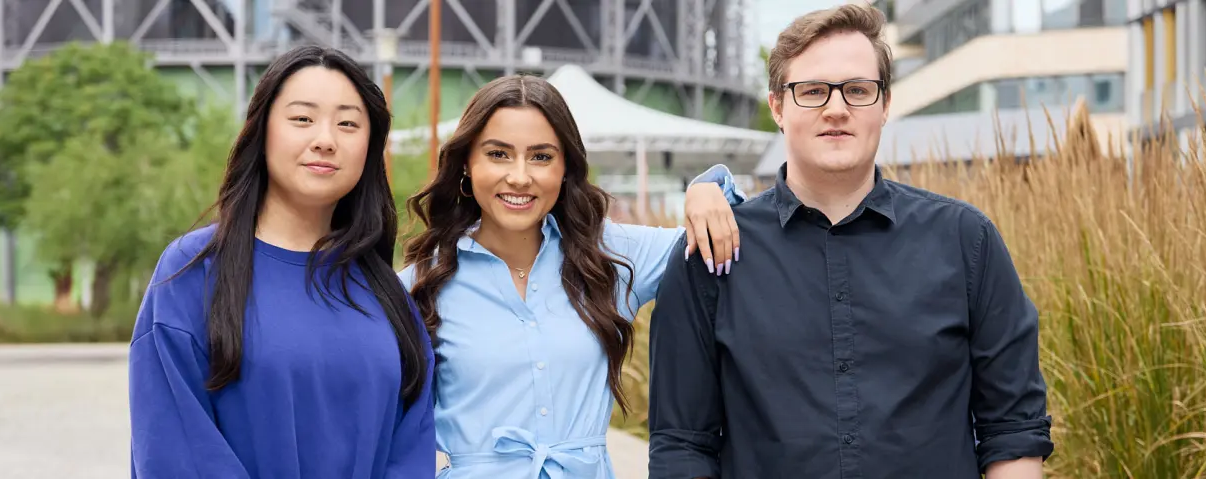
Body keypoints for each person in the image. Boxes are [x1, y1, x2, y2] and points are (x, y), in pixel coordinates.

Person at [646, 4, 1054, 479]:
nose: (836, 109)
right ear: (777, 106)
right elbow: (681, 445)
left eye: (858, 90)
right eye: (813, 91)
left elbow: (1013, 431)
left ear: (884, 104)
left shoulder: (967, 242)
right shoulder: (711, 254)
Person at [397, 74, 746, 479]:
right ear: (466, 166)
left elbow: (719, 237)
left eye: (542, 156)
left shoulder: (607, 256)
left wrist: (706, 190)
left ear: (565, 168)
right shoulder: (420, 285)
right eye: (498, 154)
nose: (520, 176)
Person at [128, 45, 435, 478]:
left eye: (348, 124)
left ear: (370, 147)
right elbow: (174, 448)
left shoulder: (386, 294)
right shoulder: (192, 272)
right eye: (302, 119)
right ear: (262, 131)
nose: (325, 140)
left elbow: (413, 450)